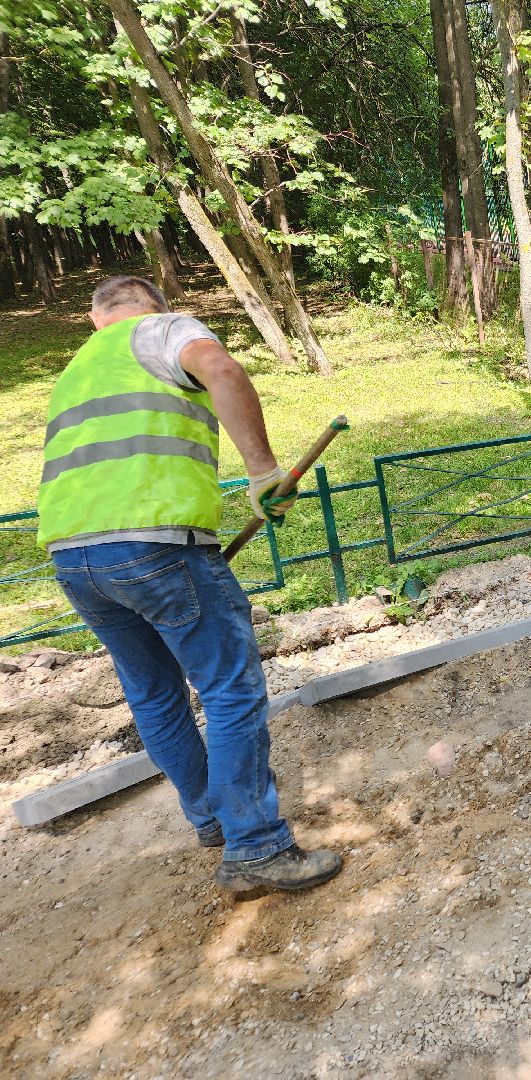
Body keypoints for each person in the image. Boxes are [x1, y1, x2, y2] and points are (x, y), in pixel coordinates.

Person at [36, 275, 342, 893]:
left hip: (75, 558)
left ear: (97, 319)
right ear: (149, 307)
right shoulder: (158, 330)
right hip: (155, 544)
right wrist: (261, 470)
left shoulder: (75, 370)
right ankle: (255, 846)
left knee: (154, 697)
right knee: (229, 688)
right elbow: (221, 371)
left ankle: (211, 819)